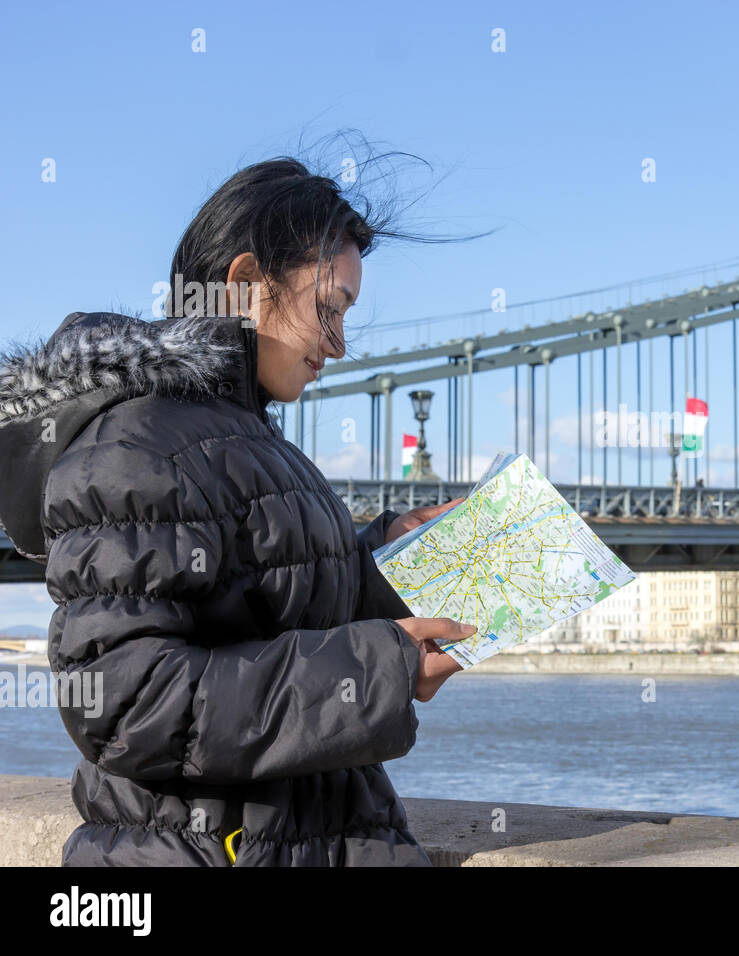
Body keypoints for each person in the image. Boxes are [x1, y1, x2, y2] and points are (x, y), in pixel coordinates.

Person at [0, 152, 485, 866]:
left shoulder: (245, 441)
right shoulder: (138, 444)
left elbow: (265, 610)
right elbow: (131, 705)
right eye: (331, 307)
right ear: (248, 283)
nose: (340, 345)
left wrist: (386, 561)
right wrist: (380, 669)